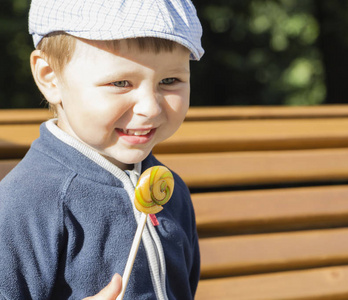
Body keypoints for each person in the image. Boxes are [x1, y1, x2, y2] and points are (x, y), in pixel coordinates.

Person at [0, 0, 204, 299]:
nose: (150, 107)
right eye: (120, 82)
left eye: (170, 81)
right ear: (49, 76)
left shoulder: (169, 189)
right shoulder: (26, 203)